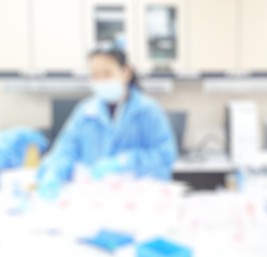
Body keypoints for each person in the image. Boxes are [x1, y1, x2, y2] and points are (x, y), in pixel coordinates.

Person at [37, 41, 177, 195]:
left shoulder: (148, 111)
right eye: (95, 75)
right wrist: (53, 175)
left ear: (126, 72)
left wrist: (124, 162)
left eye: (107, 74)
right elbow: (64, 151)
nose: (101, 80)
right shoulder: (85, 113)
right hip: (96, 199)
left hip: (138, 201)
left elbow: (164, 156)